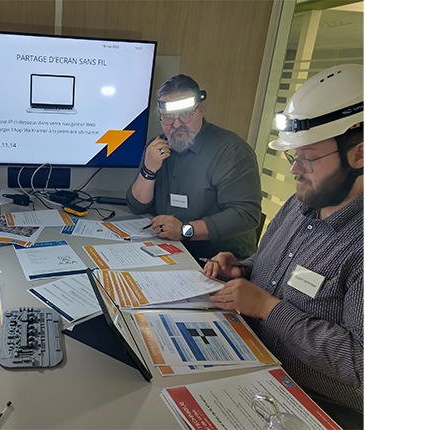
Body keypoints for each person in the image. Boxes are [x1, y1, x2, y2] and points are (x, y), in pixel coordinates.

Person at [203, 64, 364, 429]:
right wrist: (243, 269)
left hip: (314, 404)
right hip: (250, 359)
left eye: (307, 158)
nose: (295, 170)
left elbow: (361, 364)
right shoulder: (301, 202)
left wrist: (268, 308)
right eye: (294, 157)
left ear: (360, 155)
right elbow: (272, 266)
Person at [126, 74, 261, 261]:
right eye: (168, 117)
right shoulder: (157, 147)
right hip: (166, 250)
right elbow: (137, 206)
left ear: (201, 109)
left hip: (217, 261)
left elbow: (245, 214)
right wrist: (149, 169)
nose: (177, 124)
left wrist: (185, 230)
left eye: (185, 114)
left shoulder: (231, 150)